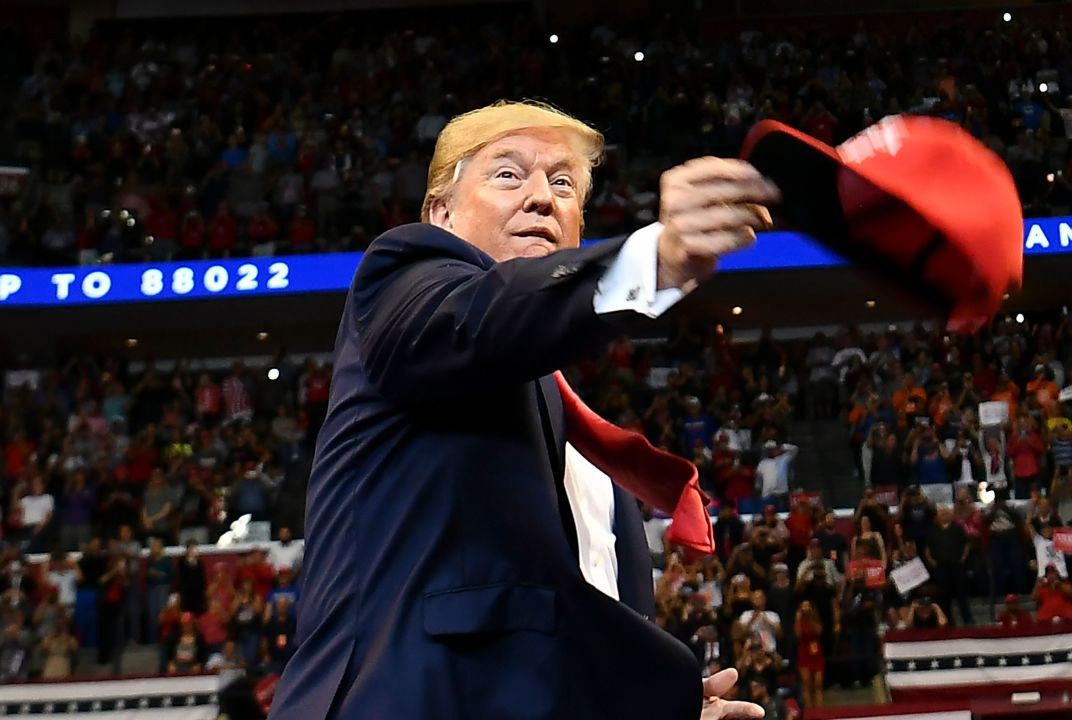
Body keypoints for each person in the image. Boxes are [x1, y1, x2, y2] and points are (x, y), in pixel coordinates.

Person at [271, 101, 776, 720]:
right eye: (508, 174)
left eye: (563, 183)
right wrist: (648, 260)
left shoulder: (579, 439)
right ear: (442, 213)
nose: (542, 197)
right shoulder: (404, 281)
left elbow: (549, 638)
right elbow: (487, 318)